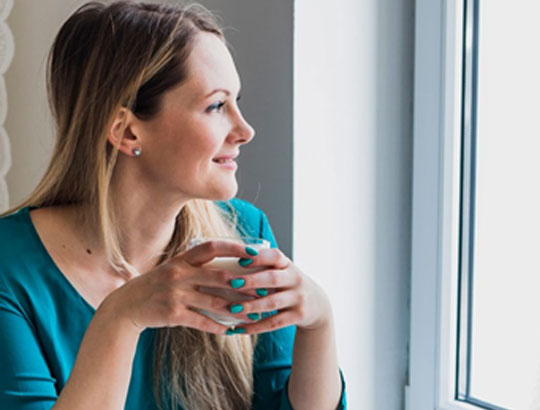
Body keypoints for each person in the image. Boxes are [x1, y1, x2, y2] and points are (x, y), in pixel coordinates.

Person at [0, 1, 346, 409]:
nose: (245, 130)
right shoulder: (10, 267)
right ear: (127, 132)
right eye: (216, 106)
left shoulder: (242, 233)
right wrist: (121, 317)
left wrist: (319, 322)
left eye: (236, 101)